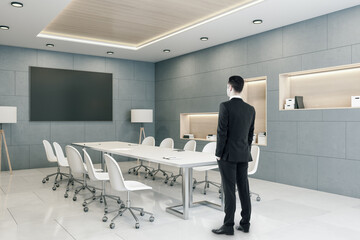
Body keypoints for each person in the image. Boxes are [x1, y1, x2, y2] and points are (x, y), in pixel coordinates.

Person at [212, 75, 255, 236]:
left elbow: (221, 132)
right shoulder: (250, 109)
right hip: (244, 154)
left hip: (227, 155)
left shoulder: (225, 106)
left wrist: (218, 153)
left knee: (229, 189)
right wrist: (245, 149)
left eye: (227, 87)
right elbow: (250, 135)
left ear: (230, 87)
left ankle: (228, 225)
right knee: (244, 188)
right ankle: (245, 223)